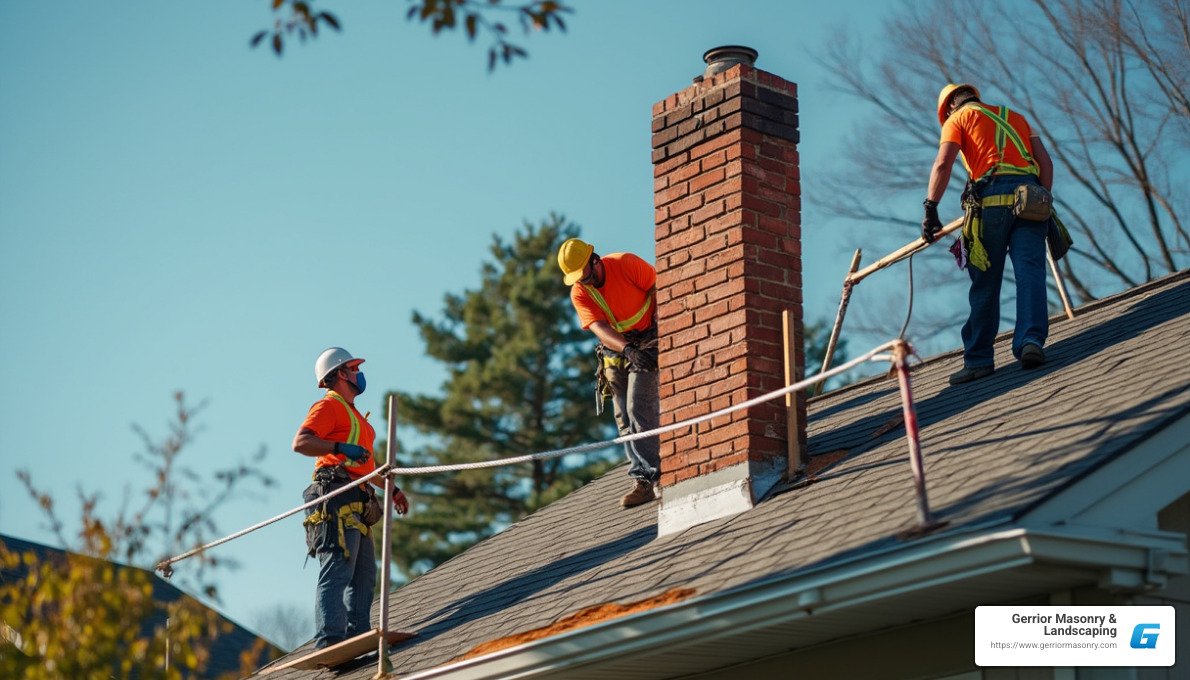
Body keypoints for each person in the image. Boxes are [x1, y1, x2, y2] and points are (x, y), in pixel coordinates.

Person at [923, 84, 1055, 385]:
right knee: (1031, 272)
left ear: (948, 110)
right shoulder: (1017, 117)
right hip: (1032, 198)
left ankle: (979, 360)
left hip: (991, 202)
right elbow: (1045, 163)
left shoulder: (958, 120)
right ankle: (1031, 341)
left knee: (985, 280)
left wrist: (930, 208)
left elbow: (943, 163)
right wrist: (1042, 198)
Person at [293, 347, 409, 649]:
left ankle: (357, 636)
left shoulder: (356, 417)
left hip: (358, 500)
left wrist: (392, 490)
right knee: (339, 569)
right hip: (336, 497)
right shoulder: (328, 406)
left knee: (364, 577)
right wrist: (339, 446)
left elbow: (365, 469)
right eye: (355, 369)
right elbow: (301, 442)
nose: (360, 374)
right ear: (341, 373)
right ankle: (330, 639)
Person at [557, 238, 661, 508]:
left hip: (649, 336)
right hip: (617, 347)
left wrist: (659, 330)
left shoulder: (625, 264)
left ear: (595, 260)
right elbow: (599, 327)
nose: (585, 282)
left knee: (639, 405)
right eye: (579, 279)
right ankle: (642, 480)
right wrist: (627, 349)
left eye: (586, 275)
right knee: (622, 415)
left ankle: (657, 473)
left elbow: (659, 288)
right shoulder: (580, 292)